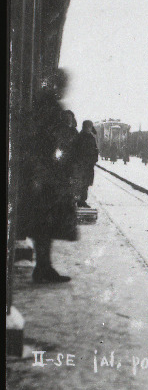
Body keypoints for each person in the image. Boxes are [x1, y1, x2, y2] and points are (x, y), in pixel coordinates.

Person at [17, 70, 78, 283]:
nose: (63, 89)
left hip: (41, 172)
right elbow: (45, 142)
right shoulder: (49, 108)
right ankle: (43, 268)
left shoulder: (42, 105)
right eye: (62, 85)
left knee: (43, 222)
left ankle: (44, 266)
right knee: (45, 221)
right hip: (43, 174)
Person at [72, 120, 99, 208]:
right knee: (79, 183)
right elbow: (76, 150)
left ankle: (82, 201)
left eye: (89, 127)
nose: (88, 128)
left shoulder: (92, 137)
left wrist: (94, 159)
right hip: (80, 164)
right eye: (87, 127)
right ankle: (77, 201)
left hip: (89, 165)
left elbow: (95, 149)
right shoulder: (79, 137)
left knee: (86, 183)